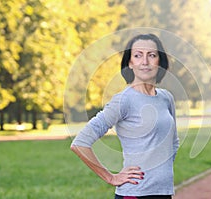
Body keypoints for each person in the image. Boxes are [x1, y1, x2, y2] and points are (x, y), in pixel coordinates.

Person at [71, 33, 179, 199]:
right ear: (130, 63)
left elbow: (174, 142)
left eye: (151, 55)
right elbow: (80, 143)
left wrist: (160, 175)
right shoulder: (124, 100)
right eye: (137, 56)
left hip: (163, 193)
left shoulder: (166, 98)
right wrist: (111, 177)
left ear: (160, 62)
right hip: (134, 194)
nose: (145, 62)